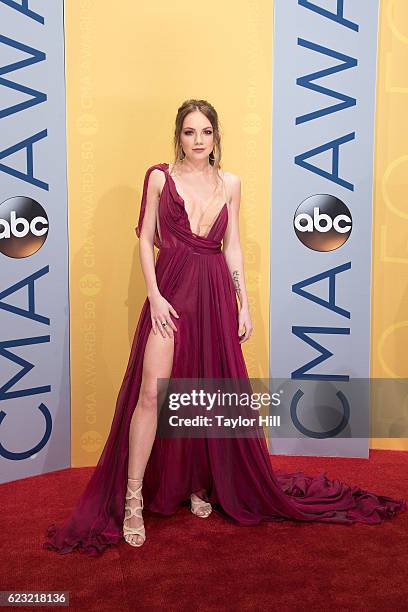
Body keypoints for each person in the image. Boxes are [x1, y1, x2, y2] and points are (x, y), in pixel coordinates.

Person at [43, 99, 406, 557]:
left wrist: (244, 303)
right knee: (153, 394)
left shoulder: (231, 183)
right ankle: (133, 496)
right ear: (178, 135)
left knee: (203, 395)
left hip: (214, 292)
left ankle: (198, 483)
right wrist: (154, 296)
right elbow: (145, 239)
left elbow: (231, 245)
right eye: (190, 132)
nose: (198, 140)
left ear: (216, 137)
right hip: (171, 293)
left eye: (206, 132)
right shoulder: (159, 177)